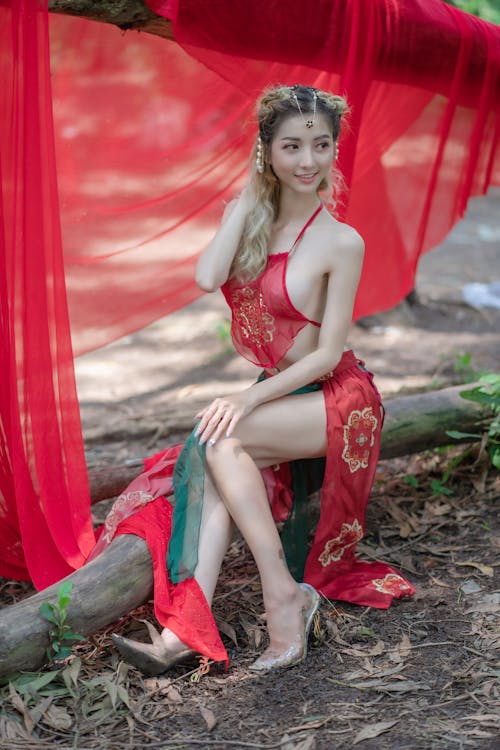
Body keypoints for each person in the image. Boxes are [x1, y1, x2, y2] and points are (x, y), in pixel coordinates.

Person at [107, 84, 414, 676]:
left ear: (333, 151)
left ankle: (281, 596)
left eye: (321, 146)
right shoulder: (250, 218)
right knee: (216, 455)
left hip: (336, 398)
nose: (308, 161)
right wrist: (245, 203)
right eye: (292, 146)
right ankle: (184, 633)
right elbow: (205, 277)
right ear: (266, 151)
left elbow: (327, 355)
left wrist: (247, 396)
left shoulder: (341, 241)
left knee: (219, 440)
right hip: (282, 391)